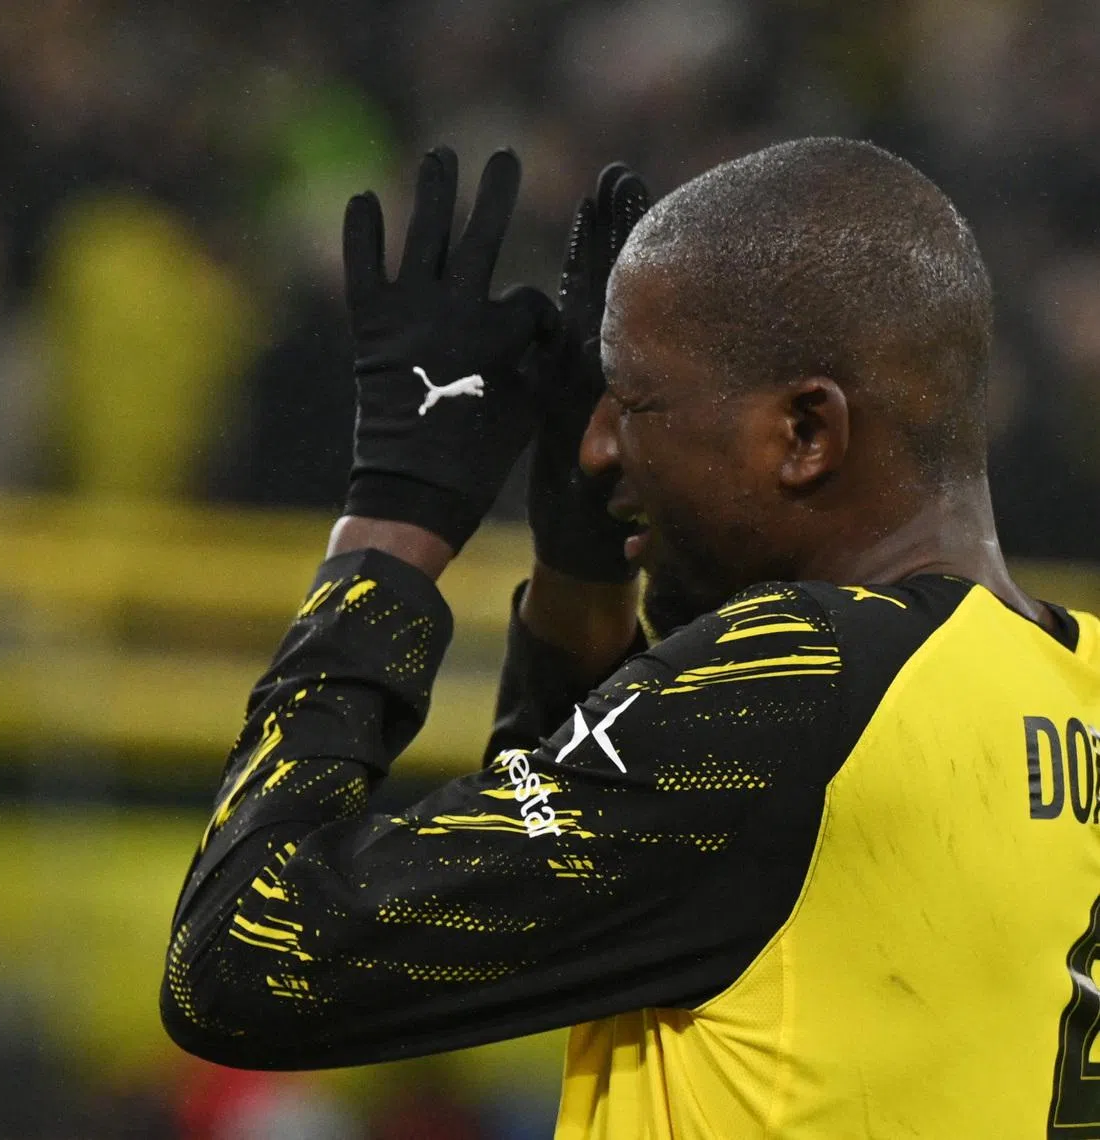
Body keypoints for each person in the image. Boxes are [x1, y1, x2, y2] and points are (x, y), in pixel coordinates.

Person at [161, 140, 1100, 1138]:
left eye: (638, 405)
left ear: (805, 433)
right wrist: (584, 560)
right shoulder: (1065, 678)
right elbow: (607, 891)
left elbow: (241, 961)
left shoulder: (799, 679)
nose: (599, 445)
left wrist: (391, 527)